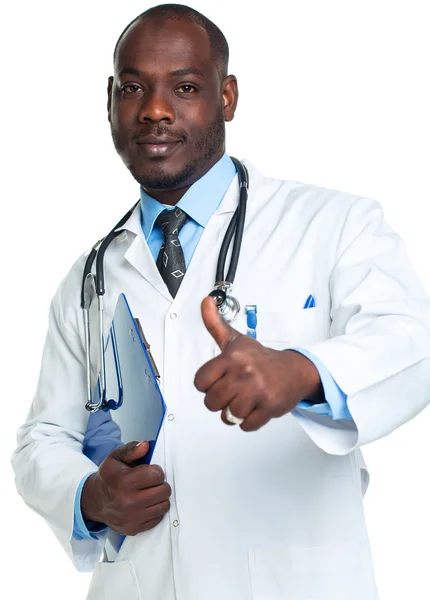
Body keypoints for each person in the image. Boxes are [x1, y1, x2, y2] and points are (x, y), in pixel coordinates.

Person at [11, 4, 430, 600]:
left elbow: (413, 343)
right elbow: (42, 439)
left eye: (184, 87)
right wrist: (89, 497)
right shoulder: (90, 279)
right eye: (133, 88)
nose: (155, 110)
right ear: (110, 101)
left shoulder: (334, 224)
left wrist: (306, 372)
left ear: (227, 97)